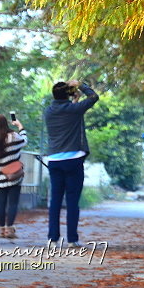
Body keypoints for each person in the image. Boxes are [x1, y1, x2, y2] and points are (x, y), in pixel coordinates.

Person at [44, 80, 99, 247]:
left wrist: (73, 99)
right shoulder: (74, 110)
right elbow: (94, 97)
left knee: (55, 201)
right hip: (73, 160)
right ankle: (72, 240)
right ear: (68, 94)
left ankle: (52, 239)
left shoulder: (48, 112)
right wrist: (81, 84)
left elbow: (68, 113)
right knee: (72, 201)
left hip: (54, 161)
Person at [0, 114, 28, 239]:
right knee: (13, 203)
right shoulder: (14, 136)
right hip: (15, 176)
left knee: (1, 202)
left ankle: (1, 230)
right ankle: (10, 230)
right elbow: (25, 141)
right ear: (6, 123)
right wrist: (20, 126)